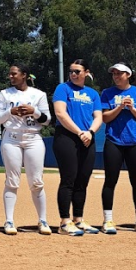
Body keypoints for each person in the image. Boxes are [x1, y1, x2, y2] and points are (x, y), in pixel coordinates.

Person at [0, 63, 51, 235]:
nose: (11, 77)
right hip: (11, 138)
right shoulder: (4, 94)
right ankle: (9, 221)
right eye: (10, 74)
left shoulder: (38, 94)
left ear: (24, 75)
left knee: (37, 182)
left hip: (33, 139)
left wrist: (34, 111)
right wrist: (11, 111)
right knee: (12, 180)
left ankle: (43, 220)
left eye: (14, 74)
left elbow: (47, 120)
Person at [51, 59, 103, 236]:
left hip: (88, 138)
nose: (73, 74)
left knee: (82, 181)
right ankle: (64, 222)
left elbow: (98, 117)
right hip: (66, 137)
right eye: (71, 71)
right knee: (69, 179)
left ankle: (78, 220)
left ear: (86, 72)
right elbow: (60, 113)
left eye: (77, 71)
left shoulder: (93, 94)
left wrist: (90, 132)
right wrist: (80, 132)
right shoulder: (63, 89)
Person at [99, 63, 136, 234]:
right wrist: (120, 107)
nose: (115, 76)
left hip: (135, 142)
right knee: (110, 181)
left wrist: (132, 108)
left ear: (128, 74)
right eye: (113, 73)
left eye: (119, 73)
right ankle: (107, 221)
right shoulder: (107, 93)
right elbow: (105, 118)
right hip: (114, 141)